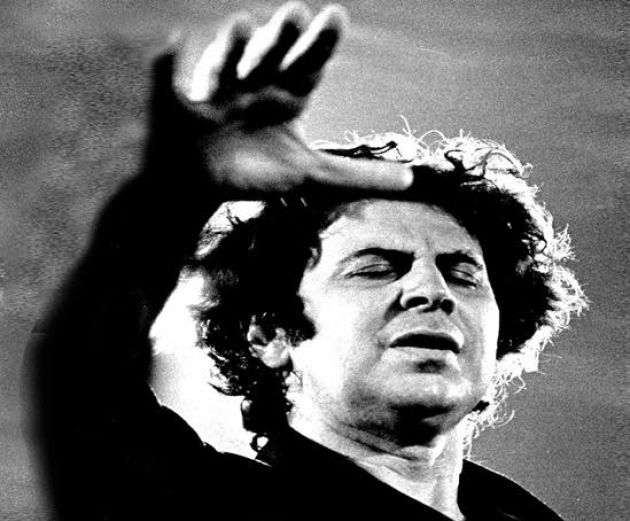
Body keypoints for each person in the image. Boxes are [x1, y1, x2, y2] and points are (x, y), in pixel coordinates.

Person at [27, 3, 586, 520]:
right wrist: (177, 193)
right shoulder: (203, 506)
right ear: (271, 334)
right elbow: (68, 385)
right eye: (375, 268)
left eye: (463, 274)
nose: (432, 290)